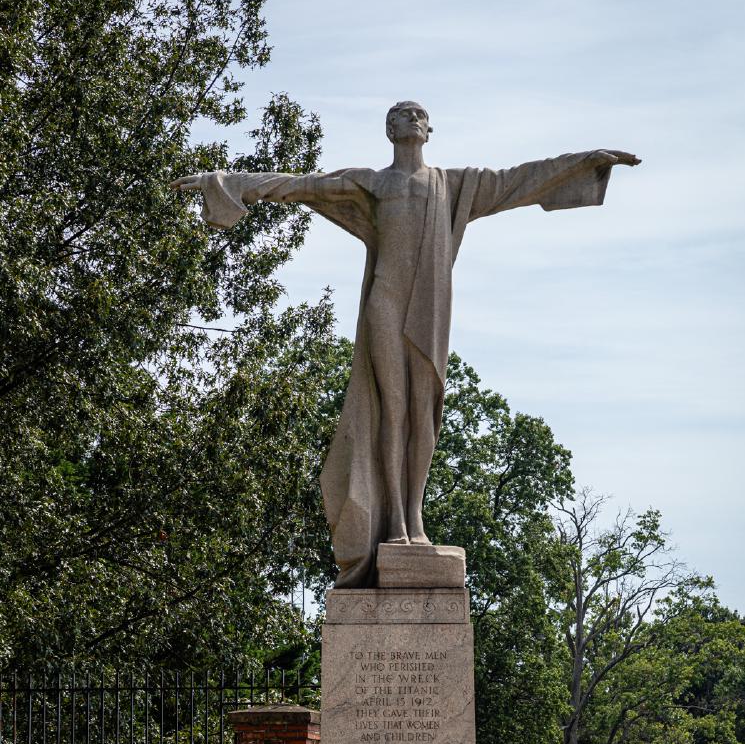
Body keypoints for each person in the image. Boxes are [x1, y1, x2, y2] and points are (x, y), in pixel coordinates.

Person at [173, 102, 639, 587]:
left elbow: (519, 181)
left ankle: (415, 519)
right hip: (386, 303)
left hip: (428, 310)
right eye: (401, 114)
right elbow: (296, 185)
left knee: (424, 410)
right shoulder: (372, 182)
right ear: (389, 129)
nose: (411, 118)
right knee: (391, 411)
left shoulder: (455, 184)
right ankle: (394, 523)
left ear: (430, 129)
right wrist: (221, 181)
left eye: (418, 113)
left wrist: (586, 161)